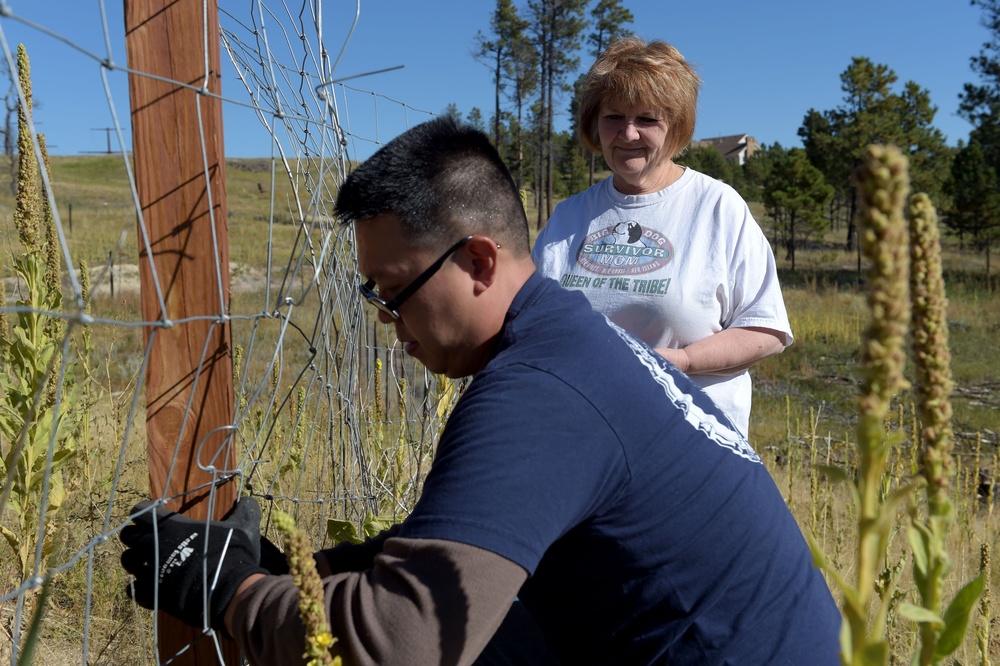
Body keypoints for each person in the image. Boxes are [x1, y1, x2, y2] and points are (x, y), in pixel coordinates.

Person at [120, 116, 841, 665]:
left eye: (396, 290)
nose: (386, 317)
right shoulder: (572, 340)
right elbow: (475, 533)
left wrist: (229, 591)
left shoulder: (540, 390)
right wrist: (303, 573)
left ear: (477, 260)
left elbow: (400, 644)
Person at [532, 37, 792, 438]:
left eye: (648, 120)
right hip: (581, 433)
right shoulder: (569, 216)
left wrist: (683, 360)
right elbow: (529, 318)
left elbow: (767, 330)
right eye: (614, 117)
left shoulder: (717, 207)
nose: (628, 134)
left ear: (677, 128)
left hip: (689, 439)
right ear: (593, 123)